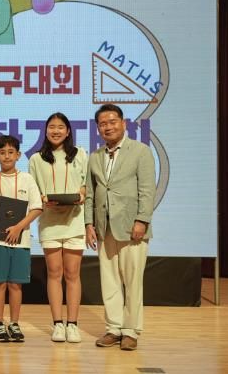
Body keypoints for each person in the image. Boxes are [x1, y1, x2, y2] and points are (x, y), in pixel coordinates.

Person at [85, 104, 156, 351]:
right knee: (109, 280)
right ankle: (114, 328)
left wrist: (142, 220)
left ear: (124, 123)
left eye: (112, 121)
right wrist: (89, 224)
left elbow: (147, 190)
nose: (108, 127)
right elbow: (91, 193)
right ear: (98, 128)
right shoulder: (95, 156)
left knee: (133, 280)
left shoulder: (140, 151)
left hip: (131, 227)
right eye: (103, 124)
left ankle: (131, 331)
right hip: (104, 227)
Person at [28, 113, 88, 343]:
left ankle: (72, 324)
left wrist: (81, 194)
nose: (56, 131)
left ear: (68, 131)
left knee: (73, 274)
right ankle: (58, 324)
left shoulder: (80, 154)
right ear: (45, 131)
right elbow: (33, 189)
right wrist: (43, 198)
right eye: (51, 127)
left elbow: (86, 185)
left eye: (60, 127)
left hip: (75, 220)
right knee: (54, 273)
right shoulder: (36, 159)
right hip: (49, 221)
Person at [0, 135, 42, 342]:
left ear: (18, 155)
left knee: (16, 284)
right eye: (2, 153)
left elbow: (37, 207)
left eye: (11, 152)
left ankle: (14, 323)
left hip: (20, 239)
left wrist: (18, 227)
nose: (6, 156)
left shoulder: (27, 179)